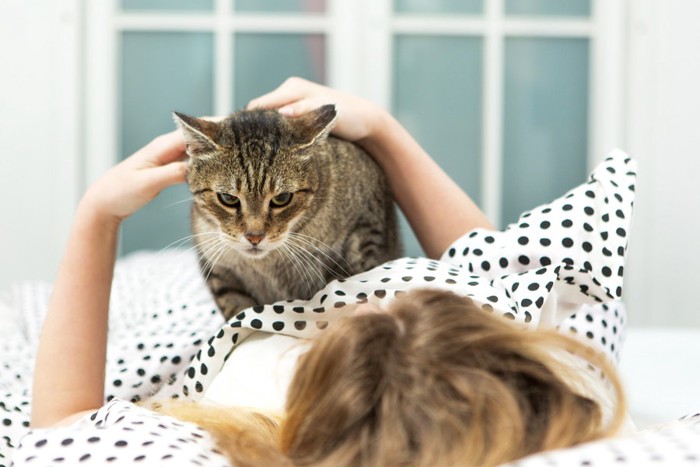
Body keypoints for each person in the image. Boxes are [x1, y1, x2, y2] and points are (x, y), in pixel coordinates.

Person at [7, 78, 635, 466]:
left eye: (379, 309)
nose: (366, 295)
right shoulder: (559, 386)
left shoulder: (236, 426)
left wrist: (96, 217)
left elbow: (61, 427)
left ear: (311, 392)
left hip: (178, 328)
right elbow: (499, 263)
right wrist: (382, 128)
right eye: (418, 297)